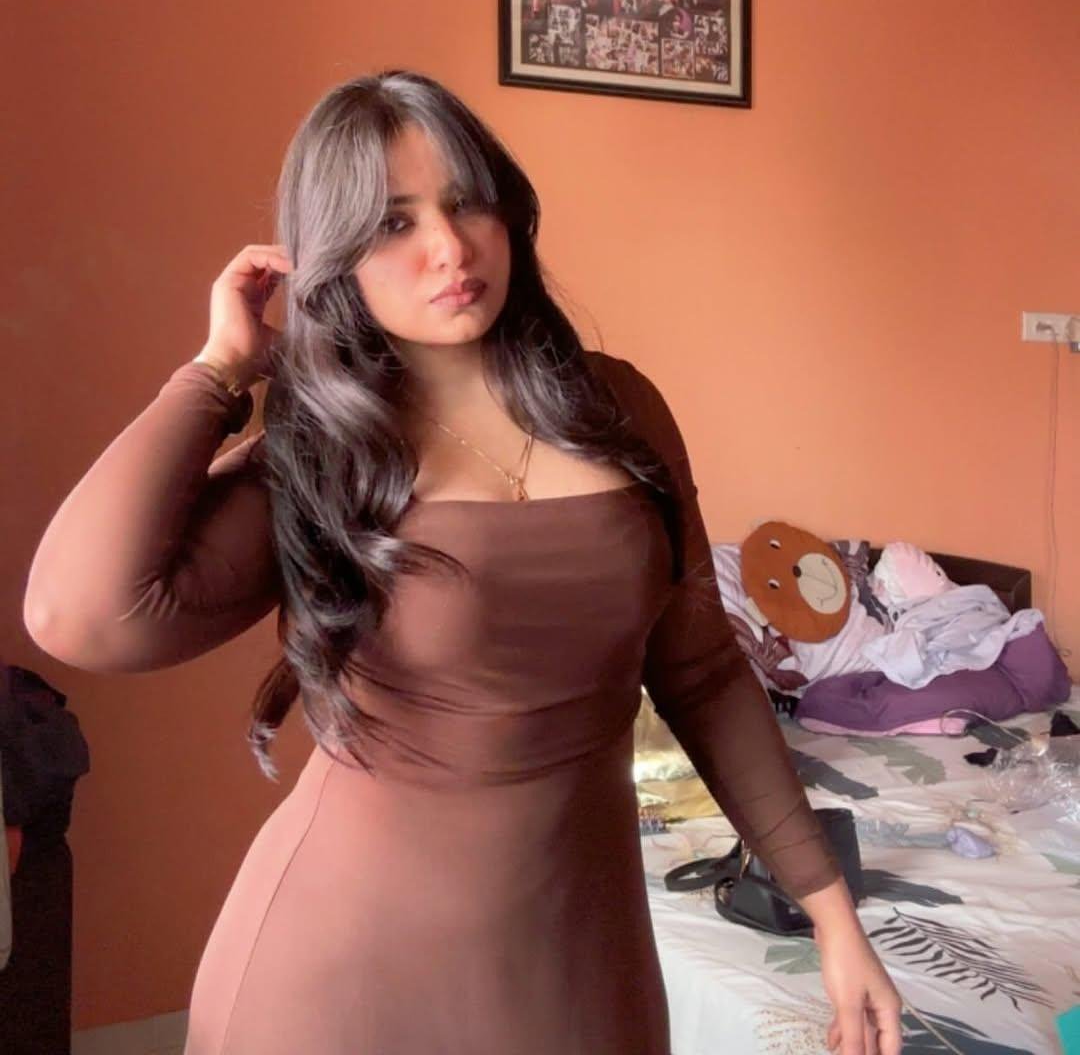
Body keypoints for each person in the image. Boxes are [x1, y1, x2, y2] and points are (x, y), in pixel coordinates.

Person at [23, 71, 903, 1055]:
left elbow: (701, 673)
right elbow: (79, 614)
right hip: (342, 979)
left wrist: (831, 912)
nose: (448, 247)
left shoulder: (618, 407)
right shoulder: (321, 455)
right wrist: (219, 370)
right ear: (332, 257)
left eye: (466, 201)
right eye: (393, 223)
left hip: (581, 965)